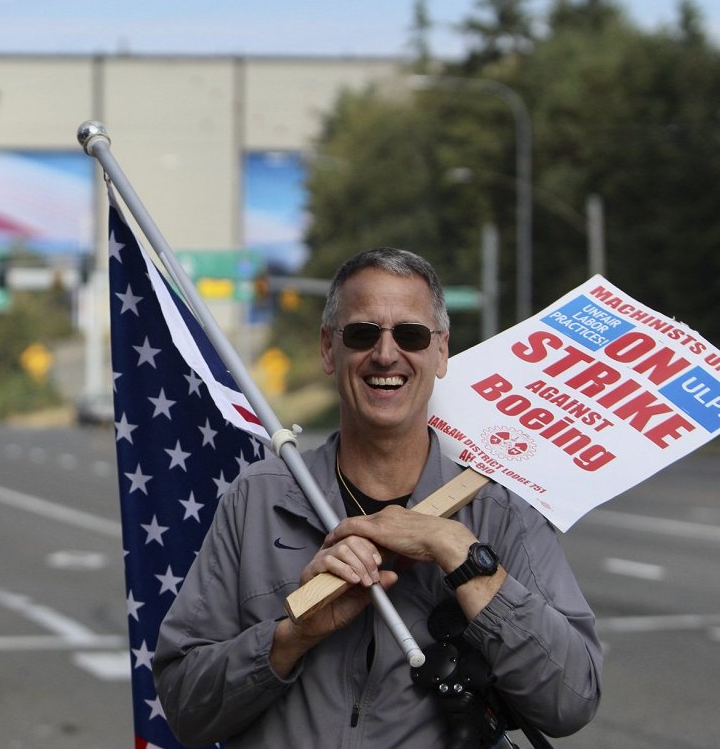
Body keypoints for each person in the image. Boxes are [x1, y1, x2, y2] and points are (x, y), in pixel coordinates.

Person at [153, 248, 602, 747]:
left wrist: (458, 552)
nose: (386, 354)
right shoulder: (257, 500)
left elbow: (572, 698)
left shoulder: (501, 509)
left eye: (410, 335)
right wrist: (292, 637)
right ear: (329, 348)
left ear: (441, 352)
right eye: (363, 333)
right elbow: (184, 707)